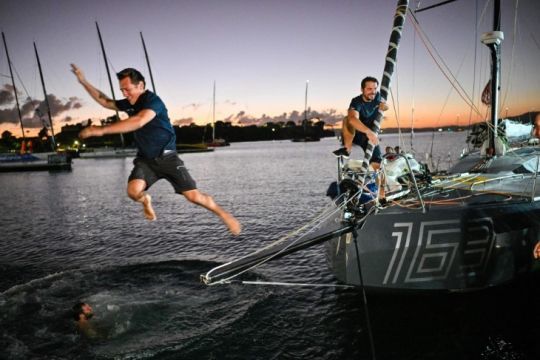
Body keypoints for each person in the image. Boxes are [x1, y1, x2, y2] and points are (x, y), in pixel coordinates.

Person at [71, 64, 241, 235]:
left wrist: (100, 130)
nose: (124, 94)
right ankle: (146, 200)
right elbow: (105, 101)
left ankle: (225, 216)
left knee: (193, 197)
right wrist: (83, 81)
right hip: (146, 160)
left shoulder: (153, 101)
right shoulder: (129, 103)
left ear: (141, 86)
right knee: (133, 192)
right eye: (122, 90)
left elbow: (139, 121)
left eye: (127, 89)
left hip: (167, 158)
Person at [333, 76, 389, 201]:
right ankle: (347, 149)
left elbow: (385, 106)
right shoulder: (356, 101)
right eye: (369, 89)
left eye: (374, 88)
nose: (372, 91)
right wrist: (368, 132)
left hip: (369, 137)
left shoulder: (378, 97)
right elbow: (353, 119)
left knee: (378, 165)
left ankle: (382, 194)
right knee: (347, 119)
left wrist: (385, 107)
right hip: (357, 133)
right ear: (362, 89)